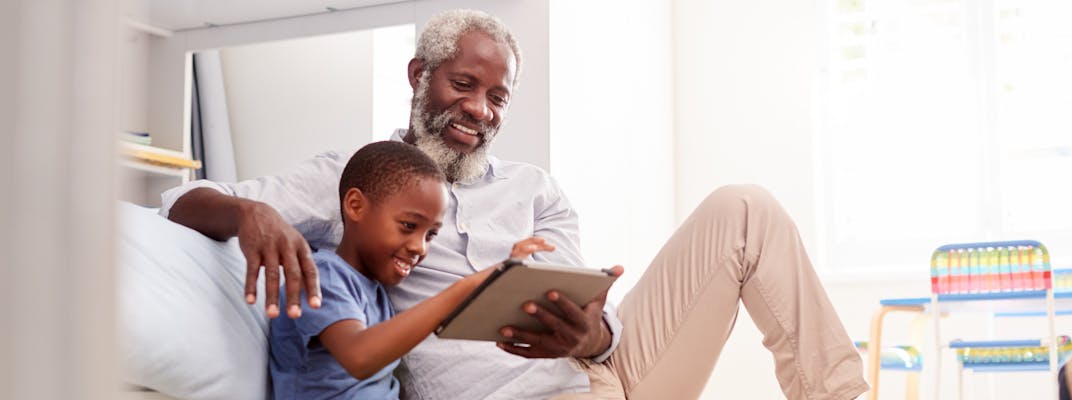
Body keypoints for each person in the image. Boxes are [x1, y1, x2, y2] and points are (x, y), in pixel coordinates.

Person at [162, 8, 869, 400]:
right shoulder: (355, 179)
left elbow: (593, 315)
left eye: (497, 97)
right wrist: (249, 214)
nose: (479, 110)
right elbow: (182, 202)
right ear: (419, 76)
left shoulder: (536, 189)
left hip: (607, 378)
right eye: (463, 85)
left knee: (744, 207)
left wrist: (592, 337)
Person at [268, 141, 553, 399]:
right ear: (356, 206)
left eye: (430, 235)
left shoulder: (377, 293)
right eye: (408, 226)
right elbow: (359, 357)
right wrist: (464, 289)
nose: (420, 247)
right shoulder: (321, 276)